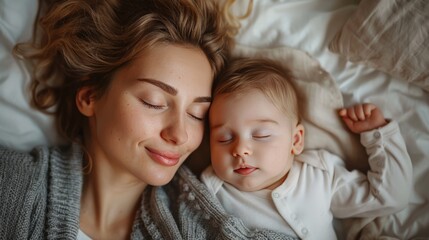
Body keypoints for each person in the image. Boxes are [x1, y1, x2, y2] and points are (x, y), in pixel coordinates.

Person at [0, 1, 295, 239]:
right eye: (154, 103)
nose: (179, 134)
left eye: (197, 115)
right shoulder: (11, 184)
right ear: (90, 97)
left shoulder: (198, 226)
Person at [201, 57, 413, 240]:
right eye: (224, 138)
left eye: (261, 135)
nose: (241, 149)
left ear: (296, 140)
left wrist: (377, 134)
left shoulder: (319, 174)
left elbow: (389, 197)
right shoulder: (210, 191)